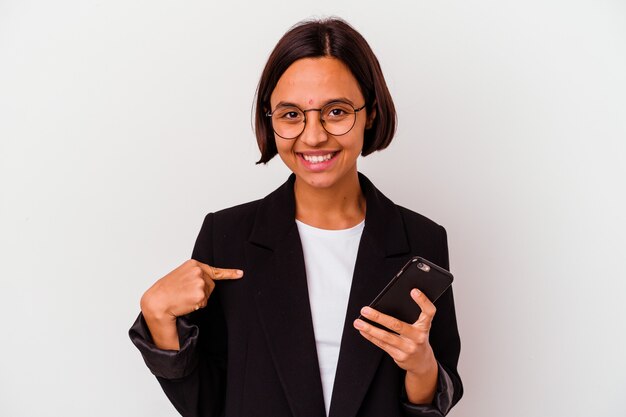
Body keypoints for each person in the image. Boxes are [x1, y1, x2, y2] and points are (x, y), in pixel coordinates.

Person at [129, 17, 463, 417]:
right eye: (290, 115)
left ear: (370, 112)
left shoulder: (421, 240)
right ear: (270, 120)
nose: (313, 135)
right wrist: (159, 317)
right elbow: (208, 404)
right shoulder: (227, 237)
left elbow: (431, 396)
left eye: (336, 111)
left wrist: (422, 366)